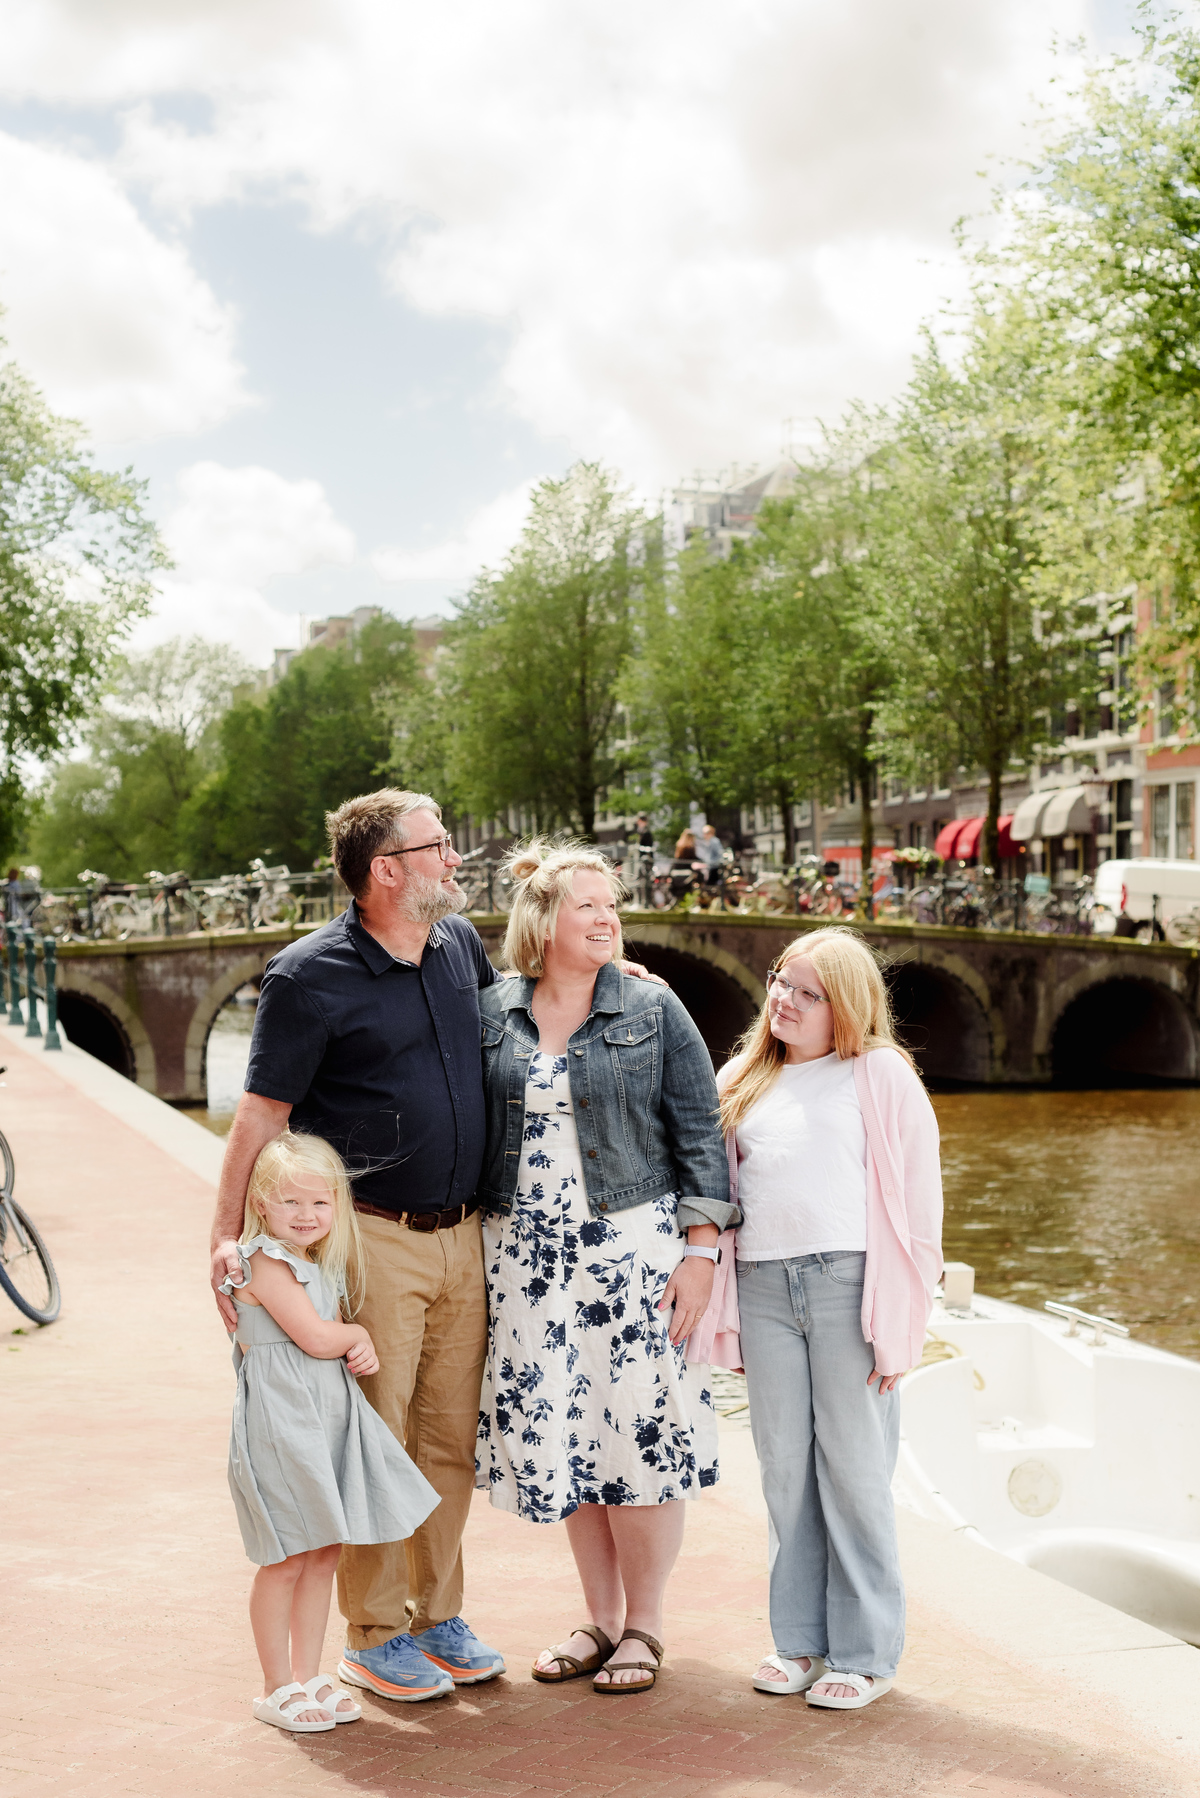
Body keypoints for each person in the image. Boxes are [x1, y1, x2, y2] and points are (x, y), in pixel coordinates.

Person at [209, 788, 663, 1704]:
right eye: (439, 845)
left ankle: (436, 1613)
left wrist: (617, 975)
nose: (457, 858)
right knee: (374, 1436)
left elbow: (527, 1010)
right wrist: (226, 1244)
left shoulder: (456, 945)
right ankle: (374, 1634)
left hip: (468, 1236)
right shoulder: (308, 976)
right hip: (373, 1239)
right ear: (387, 870)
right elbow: (262, 1113)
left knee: (448, 1439)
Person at [475, 840, 736, 1694]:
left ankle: (648, 1626)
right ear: (543, 921)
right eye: (588, 905)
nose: (607, 917)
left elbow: (700, 1134)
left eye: (610, 905)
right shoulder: (494, 1012)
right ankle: (602, 1618)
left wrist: (701, 1253)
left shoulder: (653, 1009)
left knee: (643, 1435)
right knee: (572, 1437)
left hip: (631, 1256)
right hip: (525, 1262)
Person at [718, 927, 942, 1711]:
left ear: (844, 1006)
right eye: (782, 980)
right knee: (784, 1471)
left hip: (850, 1286)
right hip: (764, 1288)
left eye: (808, 992)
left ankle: (866, 1654)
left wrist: (903, 1323)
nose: (785, 999)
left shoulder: (877, 1073)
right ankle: (800, 1643)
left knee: (853, 1472)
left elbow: (918, 1209)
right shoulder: (743, 1078)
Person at [222, 1130, 441, 1732]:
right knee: (288, 1555)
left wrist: (353, 1349)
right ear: (262, 1202)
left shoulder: (320, 1263)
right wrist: (359, 1339)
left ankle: (309, 1673)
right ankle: (275, 1685)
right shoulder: (259, 1262)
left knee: (324, 1552)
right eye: (291, 1202)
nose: (307, 1215)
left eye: (320, 1203)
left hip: (325, 1417)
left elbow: (331, 1334)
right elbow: (318, 1338)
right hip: (284, 1423)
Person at [693, 824, 724, 888]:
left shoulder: (714, 841)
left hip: (714, 867)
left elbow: (719, 854)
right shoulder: (709, 842)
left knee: (710, 886)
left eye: (706, 833)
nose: (704, 835)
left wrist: (709, 864)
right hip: (711, 867)